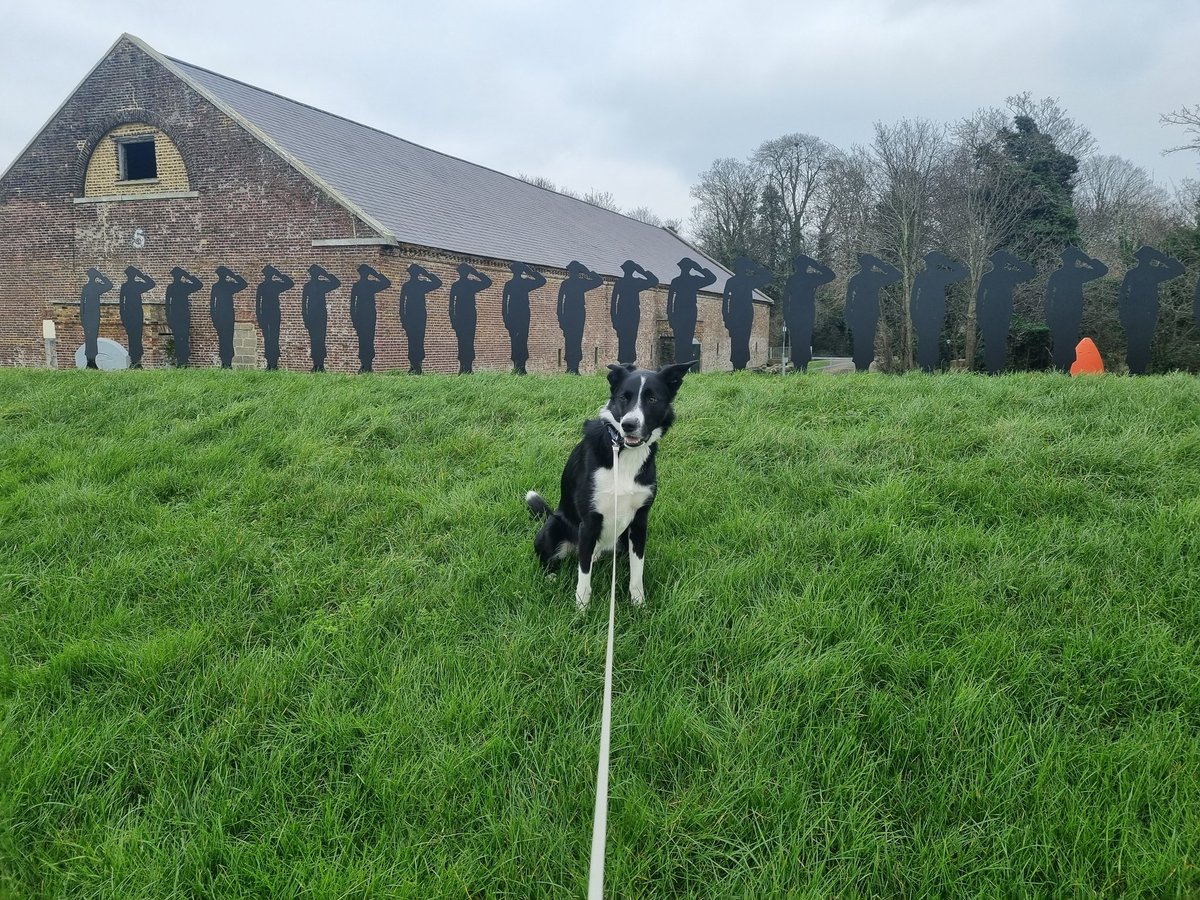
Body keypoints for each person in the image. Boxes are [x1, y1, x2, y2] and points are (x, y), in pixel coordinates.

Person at [1118, 245, 1185, 374]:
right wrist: (1123, 314)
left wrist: (1163, 259)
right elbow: (1123, 295)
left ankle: (1138, 369)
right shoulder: (1137, 273)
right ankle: (1135, 369)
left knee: (1142, 341)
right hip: (1137, 314)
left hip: (1145, 313)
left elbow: (1180, 270)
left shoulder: (1151, 272)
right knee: (1137, 341)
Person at [1045, 247, 1107, 373]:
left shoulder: (1072, 274)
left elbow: (1102, 270)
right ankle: (1061, 369)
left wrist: (1088, 260)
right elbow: (1049, 296)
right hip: (1061, 313)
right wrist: (1087, 260)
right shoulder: (1062, 274)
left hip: (1070, 313)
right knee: (1063, 342)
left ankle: (1066, 368)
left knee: (1067, 341)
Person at [976, 250, 1035, 375]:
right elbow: (979, 298)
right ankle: (992, 369)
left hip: (1002, 313)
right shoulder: (988, 277)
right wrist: (979, 315)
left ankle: (997, 369)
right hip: (990, 312)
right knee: (991, 341)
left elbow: (1030, 273)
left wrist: (1015, 262)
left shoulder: (1008, 275)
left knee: (999, 341)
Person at [911, 251, 968, 372]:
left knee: (931, 340)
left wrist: (946, 262)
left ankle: (929, 367)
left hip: (936, 313)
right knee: (925, 340)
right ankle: (925, 367)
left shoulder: (941, 276)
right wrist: (914, 314)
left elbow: (963, 272)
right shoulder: (922, 277)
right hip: (924, 312)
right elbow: (913, 298)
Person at [844, 254, 901, 372]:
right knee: (861, 339)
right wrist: (880, 264)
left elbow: (898, 275)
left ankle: (863, 368)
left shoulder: (872, 277)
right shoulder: (859, 278)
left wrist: (880, 264)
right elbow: (848, 299)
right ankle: (860, 368)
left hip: (869, 312)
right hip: (861, 312)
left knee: (866, 339)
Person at [782, 254, 835, 372]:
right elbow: (830, 275)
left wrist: (786, 317)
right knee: (801, 340)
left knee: (800, 341)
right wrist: (816, 265)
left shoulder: (795, 279)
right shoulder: (809, 279)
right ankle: (800, 368)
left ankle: (801, 368)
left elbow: (785, 301)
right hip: (803, 313)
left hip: (799, 313)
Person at [721, 256, 772, 370]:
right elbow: (725, 300)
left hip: (743, 314)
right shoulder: (739, 281)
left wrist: (726, 316)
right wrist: (726, 317)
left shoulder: (744, 280)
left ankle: (741, 366)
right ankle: (738, 366)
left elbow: (767, 277)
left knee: (742, 340)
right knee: (739, 340)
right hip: (738, 314)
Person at [665, 257, 715, 366]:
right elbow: (670, 301)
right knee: (681, 338)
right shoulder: (679, 281)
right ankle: (681, 361)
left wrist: (699, 268)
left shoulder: (688, 280)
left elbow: (712, 279)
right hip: (681, 312)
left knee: (687, 337)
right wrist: (699, 269)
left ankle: (685, 361)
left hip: (688, 311)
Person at [557, 260, 602, 374]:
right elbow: (560, 303)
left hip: (577, 313)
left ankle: (574, 367)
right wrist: (561, 318)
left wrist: (586, 271)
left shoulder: (578, 283)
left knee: (576, 339)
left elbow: (599, 281)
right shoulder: (569, 284)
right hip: (572, 314)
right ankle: (571, 367)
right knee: (571, 339)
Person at [609, 260, 658, 365]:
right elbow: (613, 303)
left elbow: (654, 281)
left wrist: (614, 319)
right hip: (627, 313)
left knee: (629, 337)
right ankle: (625, 361)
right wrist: (642, 271)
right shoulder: (629, 283)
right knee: (626, 337)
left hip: (630, 313)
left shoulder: (626, 283)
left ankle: (628, 361)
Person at [502, 262, 545, 374]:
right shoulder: (517, 284)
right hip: (518, 314)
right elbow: (504, 303)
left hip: (520, 314)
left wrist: (506, 318)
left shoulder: (513, 284)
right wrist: (530, 271)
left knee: (520, 338)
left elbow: (542, 281)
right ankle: (518, 365)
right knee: (519, 339)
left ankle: (521, 366)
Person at [448, 263, 492, 374]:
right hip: (462, 315)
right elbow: (451, 305)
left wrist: (475, 272)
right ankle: (463, 366)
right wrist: (453, 320)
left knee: (468, 340)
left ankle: (468, 367)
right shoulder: (458, 285)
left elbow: (488, 282)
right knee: (463, 340)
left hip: (469, 315)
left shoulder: (468, 284)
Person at [400, 263, 442, 374]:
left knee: (418, 339)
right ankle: (413, 365)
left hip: (419, 315)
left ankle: (418, 365)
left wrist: (426, 273)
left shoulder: (419, 285)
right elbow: (402, 304)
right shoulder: (408, 286)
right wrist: (403, 319)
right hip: (412, 315)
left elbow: (438, 283)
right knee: (413, 340)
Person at [349, 264, 390, 373]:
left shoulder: (368, 285)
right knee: (364, 340)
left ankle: (368, 365)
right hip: (362, 316)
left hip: (369, 315)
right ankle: (364, 364)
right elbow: (352, 305)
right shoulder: (359, 286)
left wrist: (375, 274)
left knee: (367, 339)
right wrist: (375, 274)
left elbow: (387, 283)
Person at [301, 265, 341, 372]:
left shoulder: (322, 284)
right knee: (314, 339)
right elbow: (304, 304)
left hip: (321, 315)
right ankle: (316, 364)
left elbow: (337, 283)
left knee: (321, 339)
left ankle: (321, 364)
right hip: (312, 315)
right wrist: (305, 318)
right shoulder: (307, 286)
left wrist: (326, 274)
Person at [255, 265, 294, 371]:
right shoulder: (264, 286)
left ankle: (273, 363)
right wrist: (279, 275)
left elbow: (290, 284)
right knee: (270, 338)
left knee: (273, 338)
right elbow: (258, 304)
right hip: (268, 314)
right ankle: (270, 362)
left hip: (273, 314)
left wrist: (279, 274)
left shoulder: (271, 285)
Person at [211, 266, 248, 368]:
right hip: (223, 316)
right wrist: (233, 276)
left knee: (226, 338)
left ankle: (227, 362)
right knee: (225, 339)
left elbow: (244, 284)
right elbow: (212, 304)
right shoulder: (219, 287)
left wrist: (233, 275)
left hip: (227, 315)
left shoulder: (225, 286)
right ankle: (225, 362)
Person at [118, 266, 155, 368]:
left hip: (136, 314)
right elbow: (121, 303)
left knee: (136, 337)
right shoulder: (127, 286)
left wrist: (141, 275)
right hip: (130, 314)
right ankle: (134, 360)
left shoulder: (135, 285)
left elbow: (152, 284)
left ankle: (137, 360)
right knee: (133, 337)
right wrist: (123, 316)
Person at [164, 267, 202, 367]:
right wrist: (169, 318)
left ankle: (184, 360)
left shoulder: (183, 286)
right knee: (179, 338)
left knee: (183, 337)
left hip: (183, 315)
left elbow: (199, 285)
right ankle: (180, 360)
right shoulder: (172, 287)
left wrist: (188, 276)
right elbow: (167, 304)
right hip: (177, 315)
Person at [79, 268, 113, 369]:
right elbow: (82, 303)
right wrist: (101, 277)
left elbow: (109, 286)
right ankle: (90, 360)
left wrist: (82, 317)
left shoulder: (92, 287)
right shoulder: (91, 287)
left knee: (91, 338)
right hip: (91, 316)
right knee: (90, 338)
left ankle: (92, 360)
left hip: (92, 316)